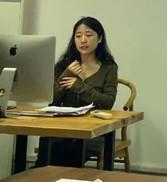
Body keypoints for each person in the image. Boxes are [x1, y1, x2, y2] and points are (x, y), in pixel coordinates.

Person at [35, 17, 118, 168]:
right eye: (78, 36)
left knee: (71, 146)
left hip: (94, 129)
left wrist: (79, 86)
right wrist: (66, 74)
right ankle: (42, 173)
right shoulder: (63, 65)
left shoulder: (109, 68)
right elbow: (52, 99)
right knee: (48, 139)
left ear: (100, 38)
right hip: (65, 125)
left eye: (89, 35)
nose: (83, 40)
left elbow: (107, 102)